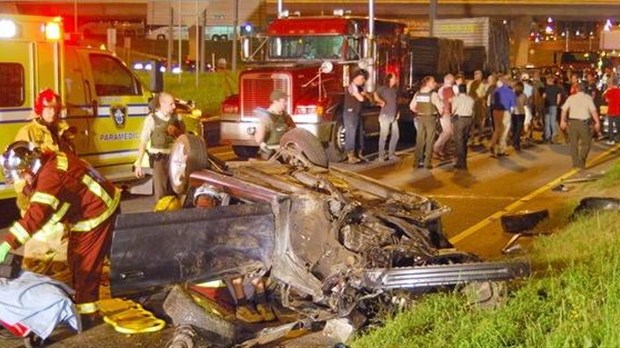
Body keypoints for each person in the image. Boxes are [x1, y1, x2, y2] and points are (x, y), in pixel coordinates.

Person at [0, 141, 121, 315]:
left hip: (97, 210)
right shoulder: (49, 161)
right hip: (92, 203)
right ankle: (83, 298)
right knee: (75, 255)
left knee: (85, 263)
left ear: (30, 167)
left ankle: (87, 310)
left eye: (22, 174)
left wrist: (7, 244)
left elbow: (36, 217)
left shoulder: (50, 179)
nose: (22, 179)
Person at [192, 184, 276, 323]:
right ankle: (242, 307)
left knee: (253, 267)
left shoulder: (220, 222)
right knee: (234, 269)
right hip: (214, 274)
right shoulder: (192, 224)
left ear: (215, 203)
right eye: (201, 202)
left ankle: (262, 303)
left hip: (231, 268)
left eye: (207, 201)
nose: (203, 206)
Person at [134, 92, 184, 202]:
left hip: (174, 160)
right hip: (159, 160)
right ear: (162, 104)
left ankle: (175, 216)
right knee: (161, 194)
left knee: (175, 193)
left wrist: (176, 131)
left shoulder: (177, 119)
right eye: (171, 104)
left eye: (174, 104)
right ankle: (162, 216)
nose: (174, 107)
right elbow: (143, 141)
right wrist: (139, 163)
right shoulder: (151, 119)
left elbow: (184, 139)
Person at [560, 83, 601, 170]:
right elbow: (593, 111)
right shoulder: (588, 98)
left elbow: (564, 109)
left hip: (572, 123)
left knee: (573, 144)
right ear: (585, 89)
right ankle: (581, 161)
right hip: (583, 123)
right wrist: (597, 122)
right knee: (587, 143)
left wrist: (562, 120)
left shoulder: (571, 98)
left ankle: (575, 163)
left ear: (577, 89)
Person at [410, 75, 443, 169]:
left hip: (420, 117)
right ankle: (427, 162)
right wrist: (440, 114)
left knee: (419, 140)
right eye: (433, 82)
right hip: (430, 118)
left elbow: (411, 107)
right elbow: (440, 108)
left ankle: (416, 161)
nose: (434, 83)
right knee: (430, 140)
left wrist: (419, 111)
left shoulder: (418, 94)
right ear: (428, 83)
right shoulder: (433, 94)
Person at [254, 90, 297, 159]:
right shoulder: (266, 118)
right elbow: (259, 139)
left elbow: (294, 130)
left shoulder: (285, 115)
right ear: (275, 102)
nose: (286, 104)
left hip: (285, 152)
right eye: (284, 101)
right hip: (271, 155)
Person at [343, 69, 369, 164]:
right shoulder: (352, 86)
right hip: (350, 113)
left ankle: (359, 153)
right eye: (362, 78)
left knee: (359, 133)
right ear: (356, 78)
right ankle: (351, 155)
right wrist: (364, 96)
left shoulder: (359, 87)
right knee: (351, 133)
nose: (363, 81)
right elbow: (361, 98)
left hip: (357, 113)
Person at [374, 73, 400, 161]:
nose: (396, 79)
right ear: (389, 79)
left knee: (396, 135)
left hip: (393, 115)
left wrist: (398, 112)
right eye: (394, 78)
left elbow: (396, 102)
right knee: (384, 136)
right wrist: (381, 101)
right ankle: (381, 155)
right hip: (385, 115)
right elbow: (375, 94)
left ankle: (391, 154)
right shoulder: (383, 89)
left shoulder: (394, 90)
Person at [488, 75, 515, 157]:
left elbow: (491, 102)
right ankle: (501, 150)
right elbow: (512, 105)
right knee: (504, 131)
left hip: (495, 111)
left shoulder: (496, 90)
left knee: (497, 130)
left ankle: (492, 145)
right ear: (508, 81)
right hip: (505, 111)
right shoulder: (510, 91)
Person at [451, 84, 475, 169]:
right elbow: (472, 110)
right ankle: (464, 159)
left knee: (459, 141)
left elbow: (453, 110)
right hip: (468, 120)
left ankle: (460, 162)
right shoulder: (471, 99)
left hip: (459, 120)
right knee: (464, 140)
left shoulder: (456, 99)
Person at [433, 74, 455, 159]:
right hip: (446, 113)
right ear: (450, 80)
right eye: (453, 80)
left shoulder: (442, 89)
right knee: (447, 132)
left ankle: (443, 150)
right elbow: (450, 101)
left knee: (449, 132)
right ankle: (436, 148)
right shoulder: (448, 89)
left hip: (444, 113)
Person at [467, 70, 488, 145]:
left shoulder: (482, 85)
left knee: (479, 122)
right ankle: (473, 137)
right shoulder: (471, 84)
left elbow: (484, 96)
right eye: (477, 75)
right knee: (473, 122)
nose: (478, 76)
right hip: (474, 105)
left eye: (479, 75)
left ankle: (479, 136)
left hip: (478, 106)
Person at [542, 75, 563, 144]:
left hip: (547, 106)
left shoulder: (545, 88)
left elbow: (543, 96)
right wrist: (557, 104)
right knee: (553, 121)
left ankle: (548, 136)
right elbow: (559, 97)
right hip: (553, 106)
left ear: (548, 80)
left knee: (547, 122)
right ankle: (554, 135)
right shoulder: (557, 88)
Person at [511, 82, 528, 152]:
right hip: (521, 113)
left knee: (515, 129)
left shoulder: (512, 94)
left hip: (513, 113)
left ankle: (516, 144)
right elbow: (525, 103)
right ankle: (516, 142)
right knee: (519, 129)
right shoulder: (524, 95)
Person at [603, 78, 620, 144]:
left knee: (611, 127)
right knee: (618, 125)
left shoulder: (609, 91)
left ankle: (611, 140)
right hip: (618, 111)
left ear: (612, 84)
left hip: (611, 111)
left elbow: (606, 100)